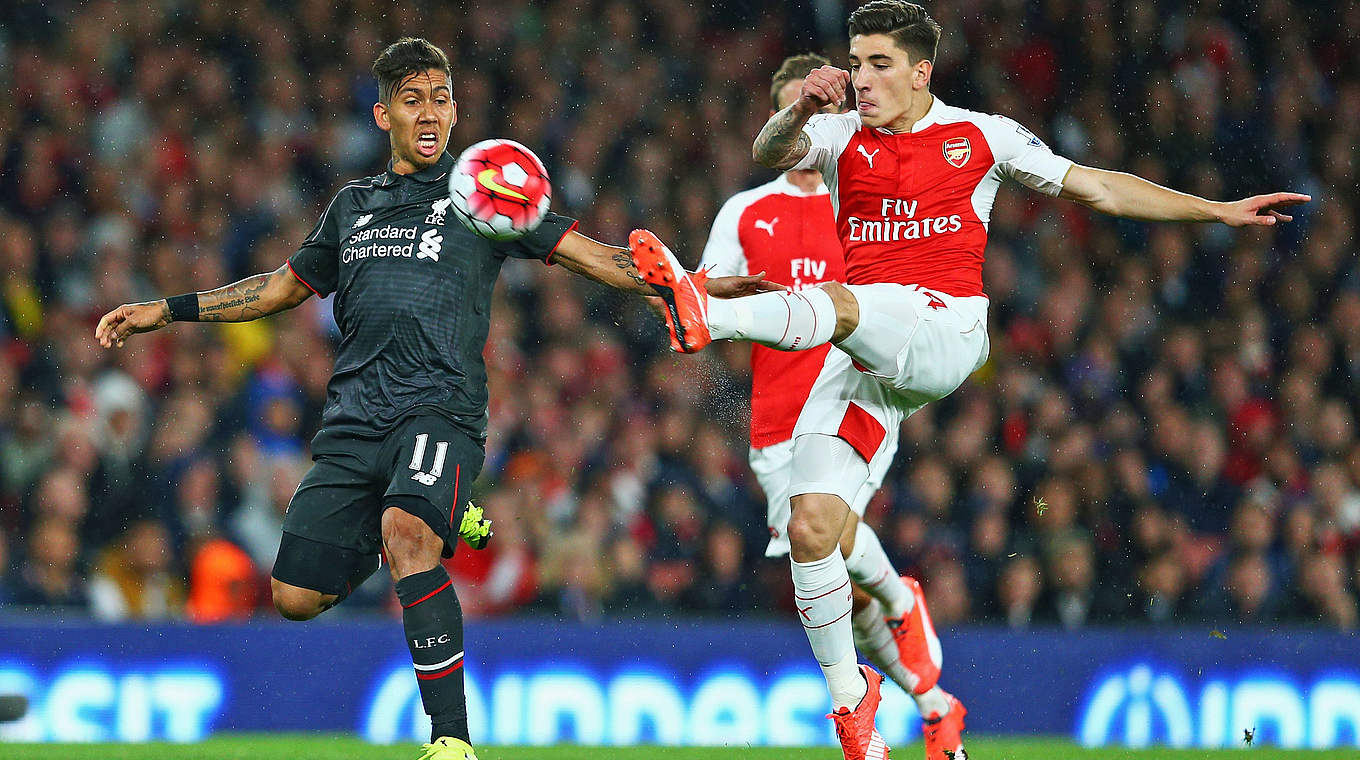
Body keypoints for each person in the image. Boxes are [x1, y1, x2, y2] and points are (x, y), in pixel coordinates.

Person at [628, 3, 1309, 759]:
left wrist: (1214, 210)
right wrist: (797, 110)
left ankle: (706, 317)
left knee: (848, 305)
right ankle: (855, 716)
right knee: (810, 528)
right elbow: (766, 151)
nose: (862, 79)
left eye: (879, 64)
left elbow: (1100, 189)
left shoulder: (982, 135)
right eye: (855, 63)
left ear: (922, 72)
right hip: (865, 365)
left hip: (944, 331)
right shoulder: (838, 134)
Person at [94, 37, 768, 760]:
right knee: (294, 597)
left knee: (406, 537)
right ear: (383, 115)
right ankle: (447, 509)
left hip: (438, 408)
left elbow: (597, 257)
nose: (430, 114)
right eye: (413, 100)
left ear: (454, 112)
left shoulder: (483, 195)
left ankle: (451, 739)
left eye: (441, 100)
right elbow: (279, 288)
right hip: (353, 421)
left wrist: (693, 282)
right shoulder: (351, 208)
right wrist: (167, 309)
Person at [699, 49, 952, 744]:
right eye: (793, 109)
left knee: (824, 531)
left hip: (854, 400)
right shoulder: (747, 211)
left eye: (819, 107)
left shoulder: (871, 198)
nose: (807, 123)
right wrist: (730, 294)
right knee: (837, 569)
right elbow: (707, 289)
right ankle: (933, 706)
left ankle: (867, 699)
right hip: (775, 424)